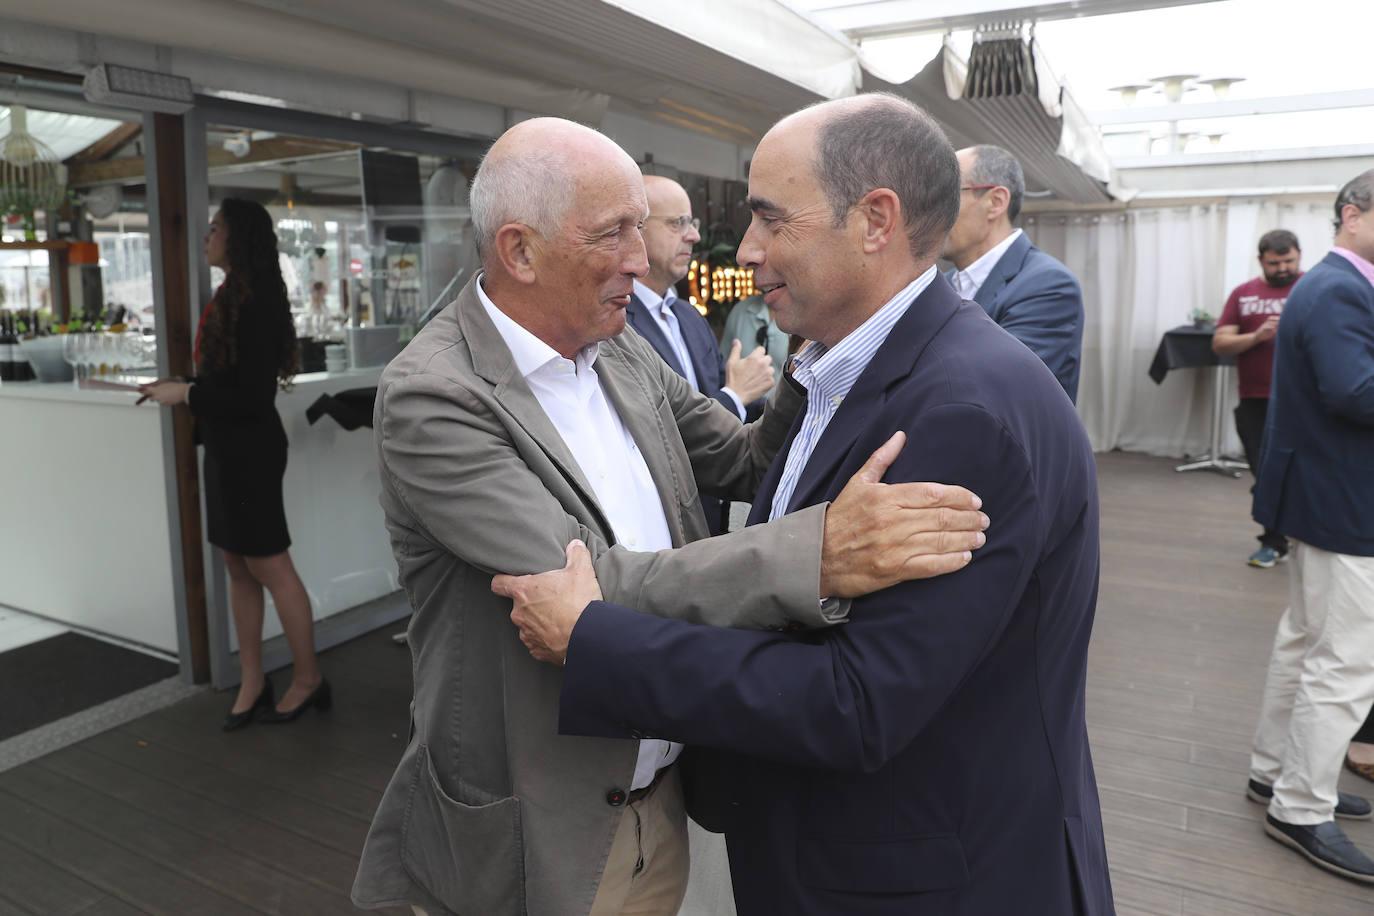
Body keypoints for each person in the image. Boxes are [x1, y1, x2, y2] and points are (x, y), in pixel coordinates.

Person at [350, 116, 990, 916]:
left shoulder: (615, 344)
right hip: (535, 836)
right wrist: (815, 557)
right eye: (614, 234)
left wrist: (820, 346)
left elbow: (741, 460)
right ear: (520, 250)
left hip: (656, 803)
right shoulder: (433, 397)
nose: (640, 257)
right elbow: (586, 593)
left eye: (641, 229)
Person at [497, 94, 1114, 915]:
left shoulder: (961, 412)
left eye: (770, 219)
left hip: (924, 879)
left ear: (875, 220)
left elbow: (855, 703)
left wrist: (597, 640)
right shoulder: (840, 368)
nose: (745, 248)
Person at [139, 199, 328, 730]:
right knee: (237, 565)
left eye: (216, 228)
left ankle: (309, 679)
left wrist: (187, 394)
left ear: (237, 237)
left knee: (269, 565)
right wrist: (184, 389)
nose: (207, 236)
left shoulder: (257, 298)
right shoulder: (234, 293)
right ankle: (252, 679)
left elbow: (250, 395)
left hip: (249, 451)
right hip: (227, 449)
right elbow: (229, 384)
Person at [1246, 168, 1374, 883]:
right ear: (1352, 215)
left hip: (1327, 494)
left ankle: (1274, 773)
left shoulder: (1332, 286)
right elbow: (1355, 392)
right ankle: (1299, 807)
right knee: (1346, 662)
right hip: (1346, 501)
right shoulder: (1338, 289)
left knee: (1304, 640)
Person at [626, 175, 775, 534]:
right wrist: (736, 395)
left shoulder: (688, 317)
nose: (693, 235)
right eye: (678, 223)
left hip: (711, 518)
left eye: (692, 223)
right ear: (636, 230)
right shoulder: (616, 326)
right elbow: (661, 436)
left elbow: (722, 410)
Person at [942, 144, 1084, 402]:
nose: (933, 212)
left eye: (946, 195)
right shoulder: (943, 284)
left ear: (995, 203)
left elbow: (997, 386)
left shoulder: (1048, 285)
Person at [1212, 230, 1302, 568]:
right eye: (1275, 263)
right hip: (1255, 401)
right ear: (1261, 260)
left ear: (1299, 255)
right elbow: (1220, 343)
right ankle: (1273, 542)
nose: (1283, 268)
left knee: (1304, 473)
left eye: (1289, 261)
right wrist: (1257, 336)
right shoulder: (1244, 294)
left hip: (1302, 402)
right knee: (1265, 474)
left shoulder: (1311, 288)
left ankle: (1304, 538)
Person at [719, 292, 790, 388]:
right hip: (743, 401)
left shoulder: (803, 314)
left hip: (785, 401)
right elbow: (722, 368)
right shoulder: (740, 311)